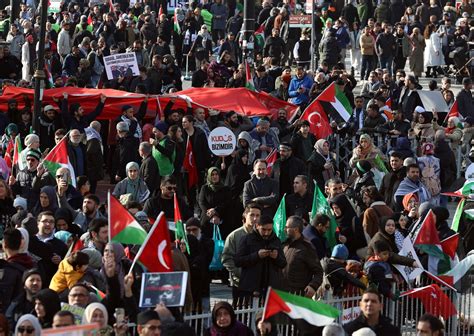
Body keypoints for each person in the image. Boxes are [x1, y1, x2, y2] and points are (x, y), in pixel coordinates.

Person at [235, 215, 286, 298]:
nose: (266, 233)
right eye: (264, 229)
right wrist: (257, 255)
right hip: (250, 289)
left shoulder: (276, 241)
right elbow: (238, 261)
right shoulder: (247, 239)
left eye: (269, 230)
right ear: (257, 226)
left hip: (271, 290)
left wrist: (276, 257)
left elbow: (283, 263)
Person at [221, 203, 261, 305]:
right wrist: (242, 274)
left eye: (258, 215)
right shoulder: (235, 236)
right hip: (240, 284)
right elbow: (226, 258)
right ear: (245, 215)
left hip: (259, 285)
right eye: (252, 215)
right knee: (240, 314)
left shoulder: (263, 234)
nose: (255, 218)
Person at [282, 216, 323, 296]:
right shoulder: (285, 245)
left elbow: (318, 272)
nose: (285, 230)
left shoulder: (307, 247)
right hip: (283, 294)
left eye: (287, 227)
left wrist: (313, 286)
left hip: (298, 295)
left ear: (296, 229)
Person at [198, 167, 231, 238]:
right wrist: (211, 214)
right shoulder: (205, 188)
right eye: (212, 175)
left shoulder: (225, 189)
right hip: (207, 217)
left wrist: (216, 211)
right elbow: (201, 202)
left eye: (216, 174)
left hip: (222, 217)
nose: (215, 176)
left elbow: (227, 203)